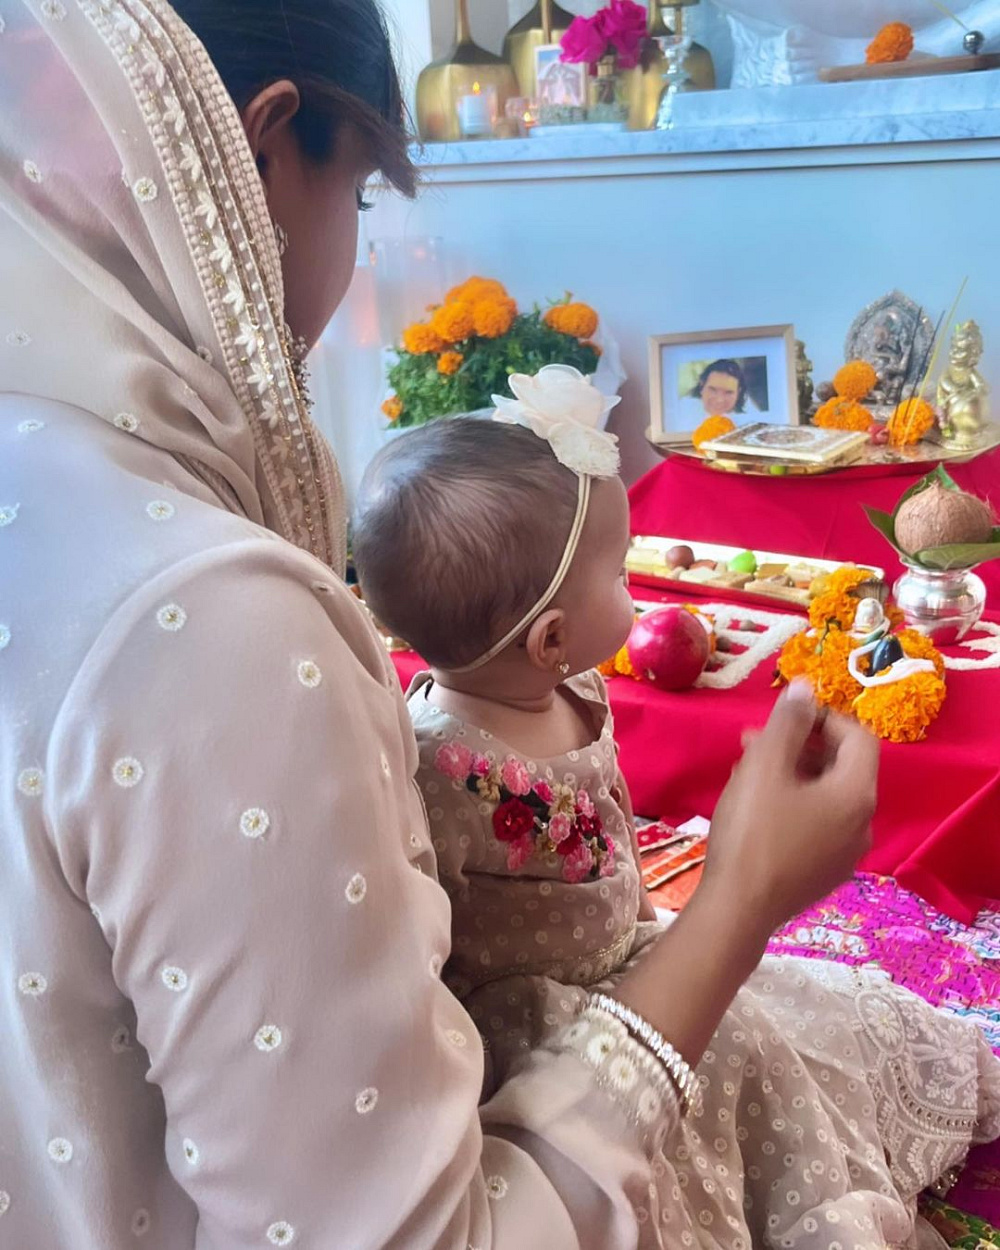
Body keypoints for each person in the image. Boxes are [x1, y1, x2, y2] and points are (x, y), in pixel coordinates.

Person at [0, 2, 991, 1246]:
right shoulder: (214, 622)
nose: (351, 249)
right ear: (263, 148)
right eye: (360, 196)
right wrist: (741, 894)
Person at [353, 369, 1000, 1248]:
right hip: (558, 1025)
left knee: (781, 1031)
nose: (637, 590)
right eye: (621, 574)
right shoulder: (439, 769)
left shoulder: (575, 687)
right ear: (552, 638)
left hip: (637, 951)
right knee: (730, 1078)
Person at [678, 357, 749, 426]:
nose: (719, 400)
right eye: (713, 390)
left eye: (728, 392)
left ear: (738, 393)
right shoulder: (682, 412)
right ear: (702, 386)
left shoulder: (748, 420)